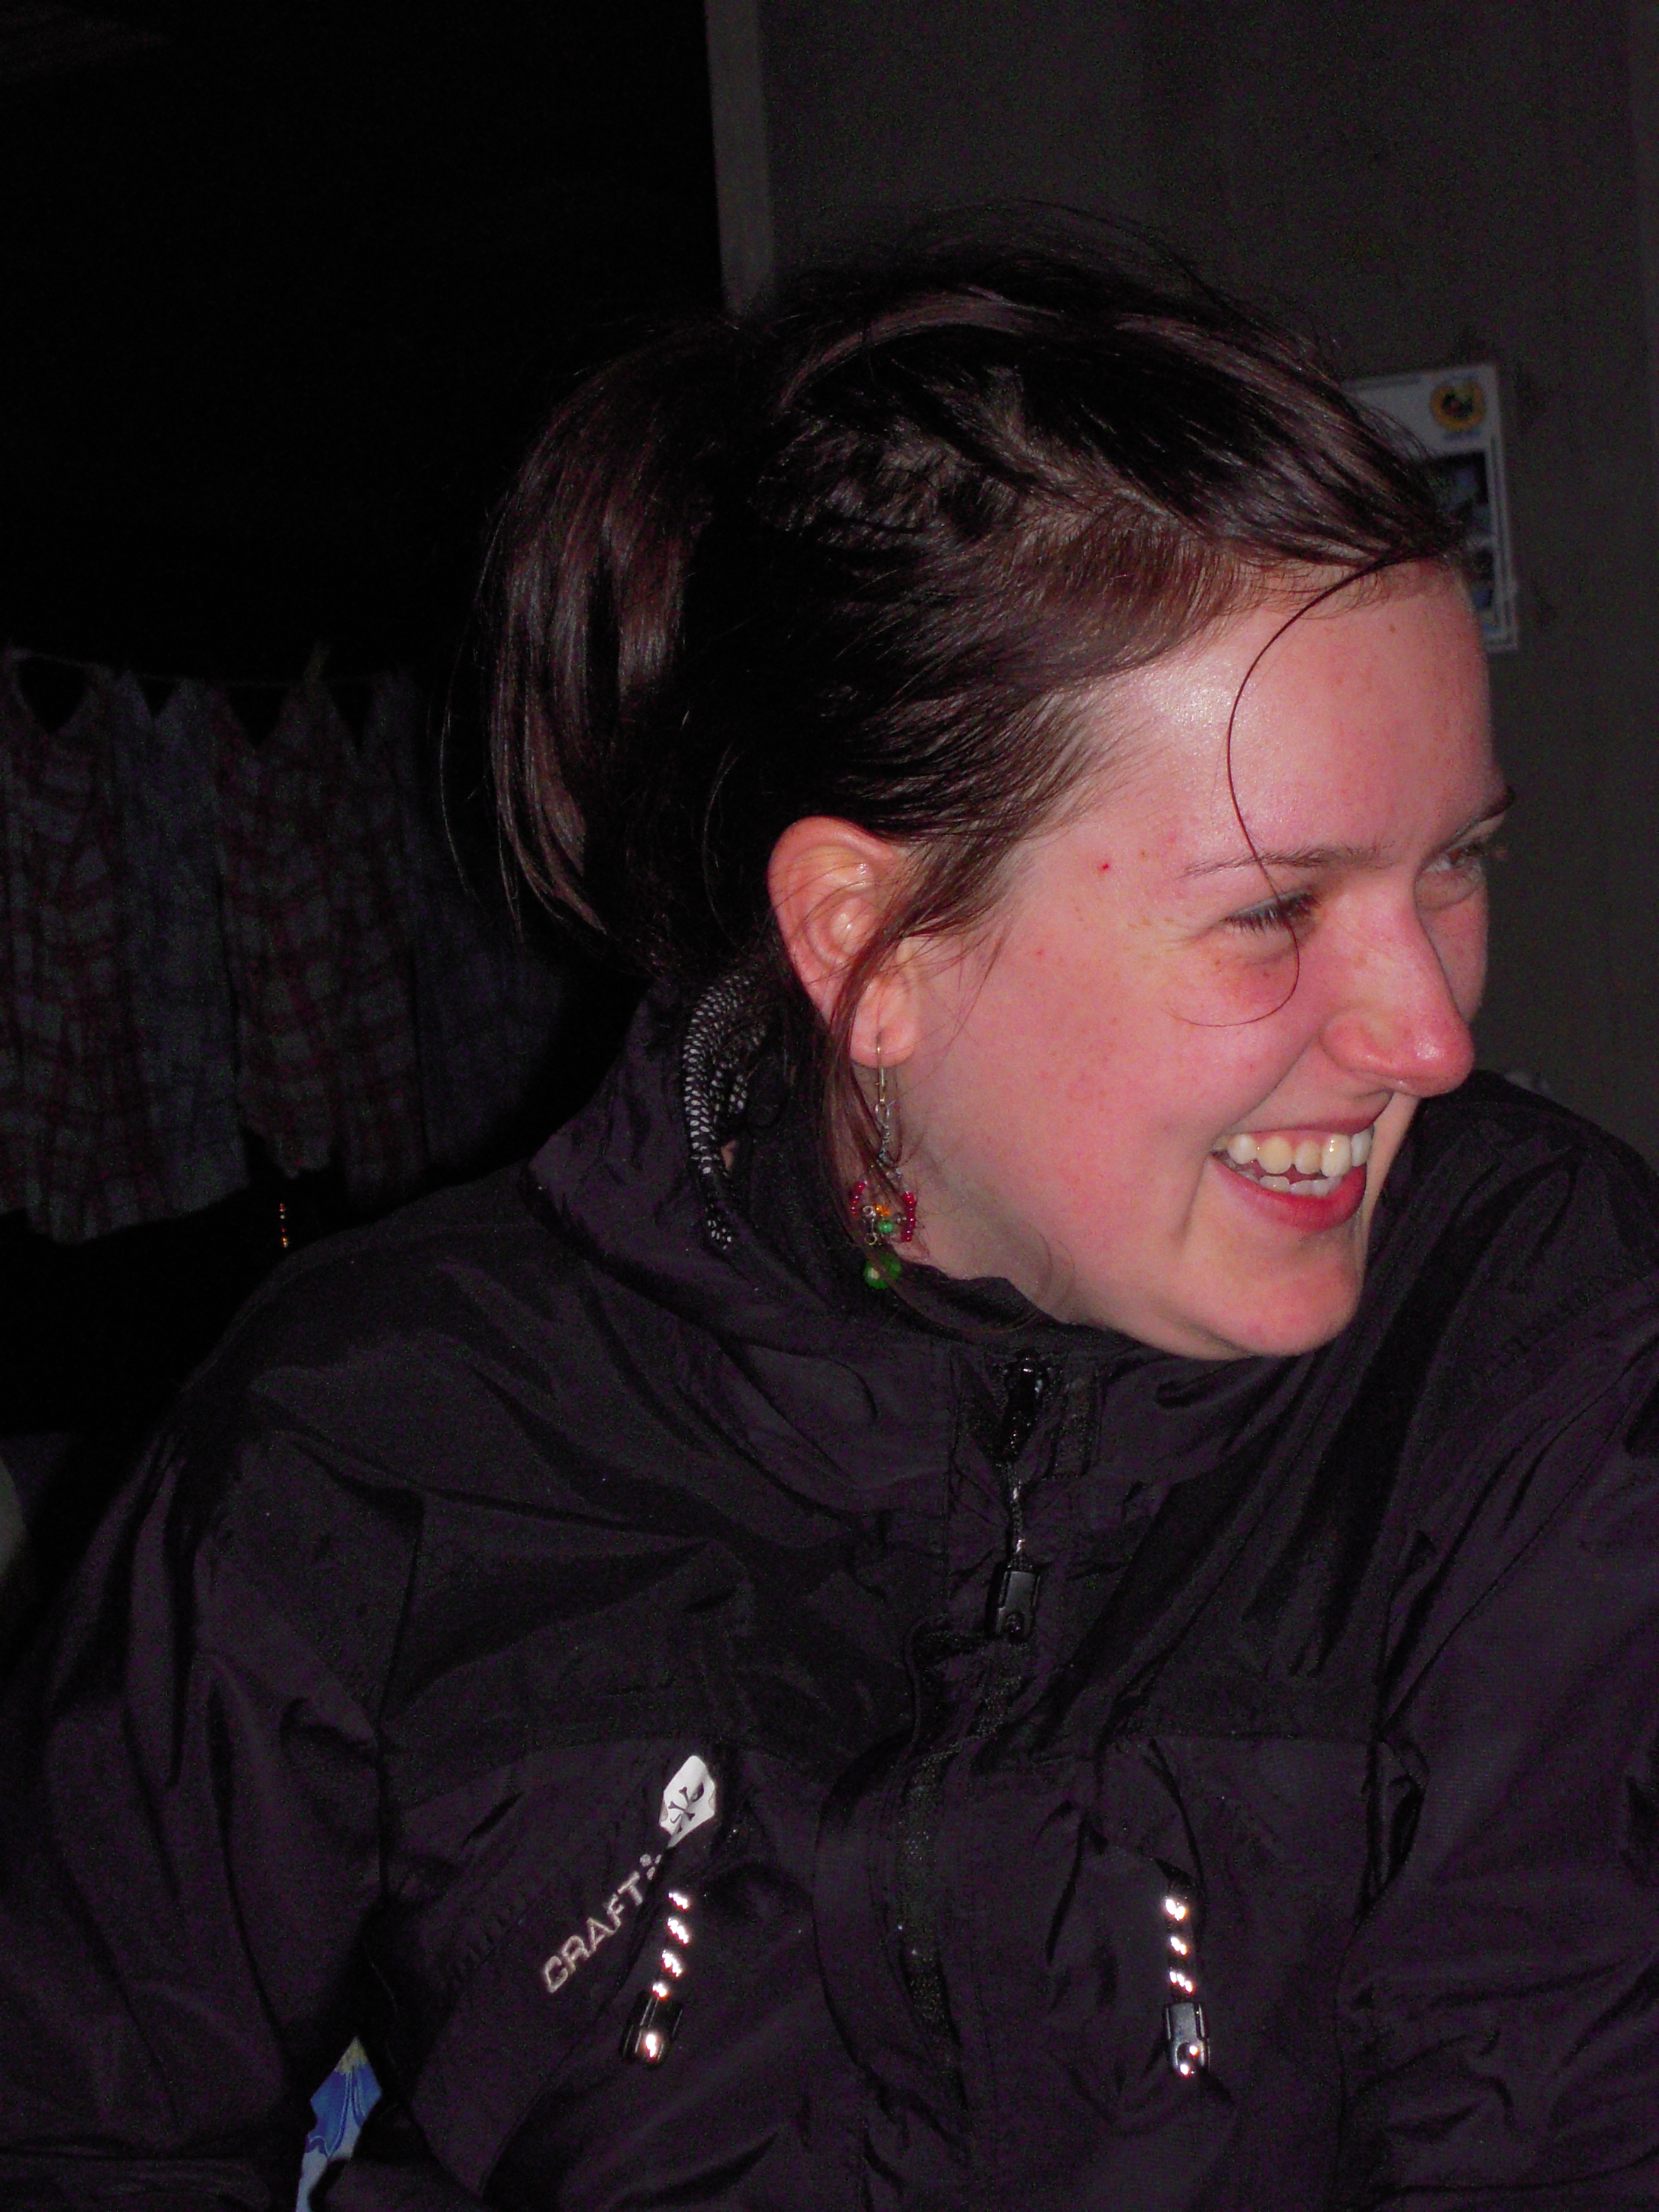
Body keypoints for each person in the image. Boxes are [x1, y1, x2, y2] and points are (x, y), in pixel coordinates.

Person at [3, 233, 1658, 2212]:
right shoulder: (370, 1438)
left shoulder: (1526, 1325)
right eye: (1272, 911)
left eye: (1455, 864)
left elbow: (1563, 2108)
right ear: (872, 950)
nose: (1433, 1035)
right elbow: (77, 2125)